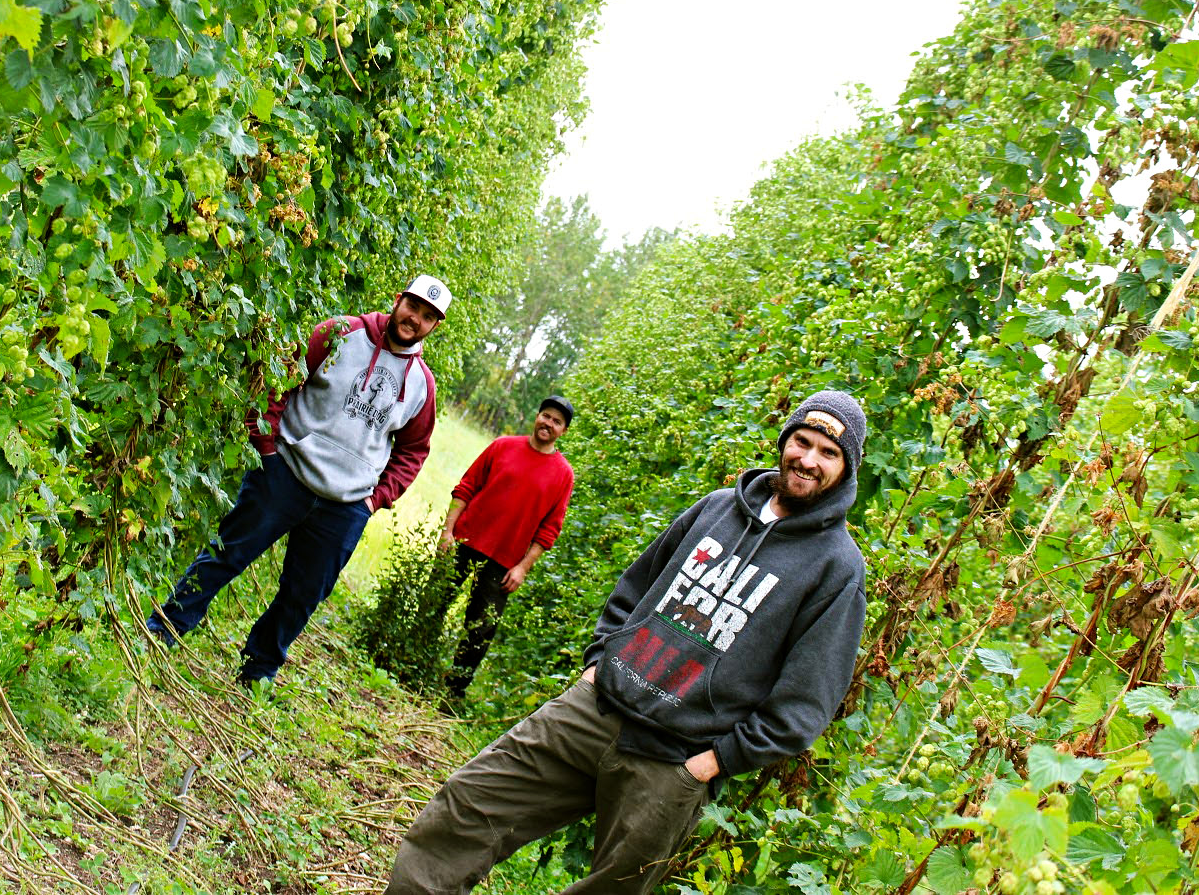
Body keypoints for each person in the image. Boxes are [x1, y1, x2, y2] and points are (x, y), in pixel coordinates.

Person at [386, 390, 869, 895]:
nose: (808, 460)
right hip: (595, 708)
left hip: (672, 761)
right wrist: (599, 661)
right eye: (802, 441)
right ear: (786, 438)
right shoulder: (720, 508)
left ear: (846, 467)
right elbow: (636, 586)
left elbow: (807, 700)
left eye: (828, 453)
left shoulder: (836, 568)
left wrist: (717, 761)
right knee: (469, 806)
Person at [147, 275, 449, 685]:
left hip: (345, 505)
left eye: (428, 316)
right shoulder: (341, 333)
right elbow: (281, 380)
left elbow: (413, 451)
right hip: (285, 472)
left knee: (303, 595)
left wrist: (373, 501)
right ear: (398, 300)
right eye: (413, 306)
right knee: (227, 553)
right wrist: (267, 448)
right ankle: (164, 629)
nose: (416, 318)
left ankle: (258, 672)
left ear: (435, 326)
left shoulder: (421, 386)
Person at [437, 395, 577, 698]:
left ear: (563, 431)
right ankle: (407, 659)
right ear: (537, 416)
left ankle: (452, 692)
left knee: (482, 629)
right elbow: (466, 486)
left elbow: (549, 529)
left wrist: (523, 567)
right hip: (463, 541)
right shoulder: (503, 446)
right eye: (546, 416)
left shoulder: (563, 474)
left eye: (557, 421)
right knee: (435, 600)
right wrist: (448, 532)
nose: (548, 424)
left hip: (504, 562)